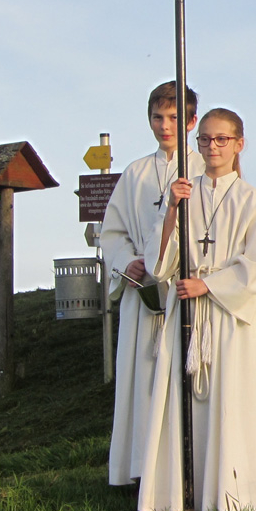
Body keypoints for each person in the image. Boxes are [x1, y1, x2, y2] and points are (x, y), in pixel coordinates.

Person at [138, 108, 256, 511]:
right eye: (204, 139)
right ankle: (175, 495)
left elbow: (254, 265)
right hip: (185, 308)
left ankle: (232, 494)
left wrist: (209, 285)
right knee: (179, 403)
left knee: (229, 400)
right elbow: (158, 263)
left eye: (221, 139)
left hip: (227, 315)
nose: (212, 147)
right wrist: (170, 210)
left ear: (239, 144)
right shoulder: (183, 193)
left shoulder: (250, 200)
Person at [101, 81, 201, 489]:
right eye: (158, 117)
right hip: (143, 295)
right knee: (143, 381)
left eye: (174, 118)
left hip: (186, 290)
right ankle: (143, 472)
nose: (165, 126)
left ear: (191, 122)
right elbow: (112, 232)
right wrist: (127, 263)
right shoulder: (135, 173)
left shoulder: (204, 168)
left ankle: (188, 470)